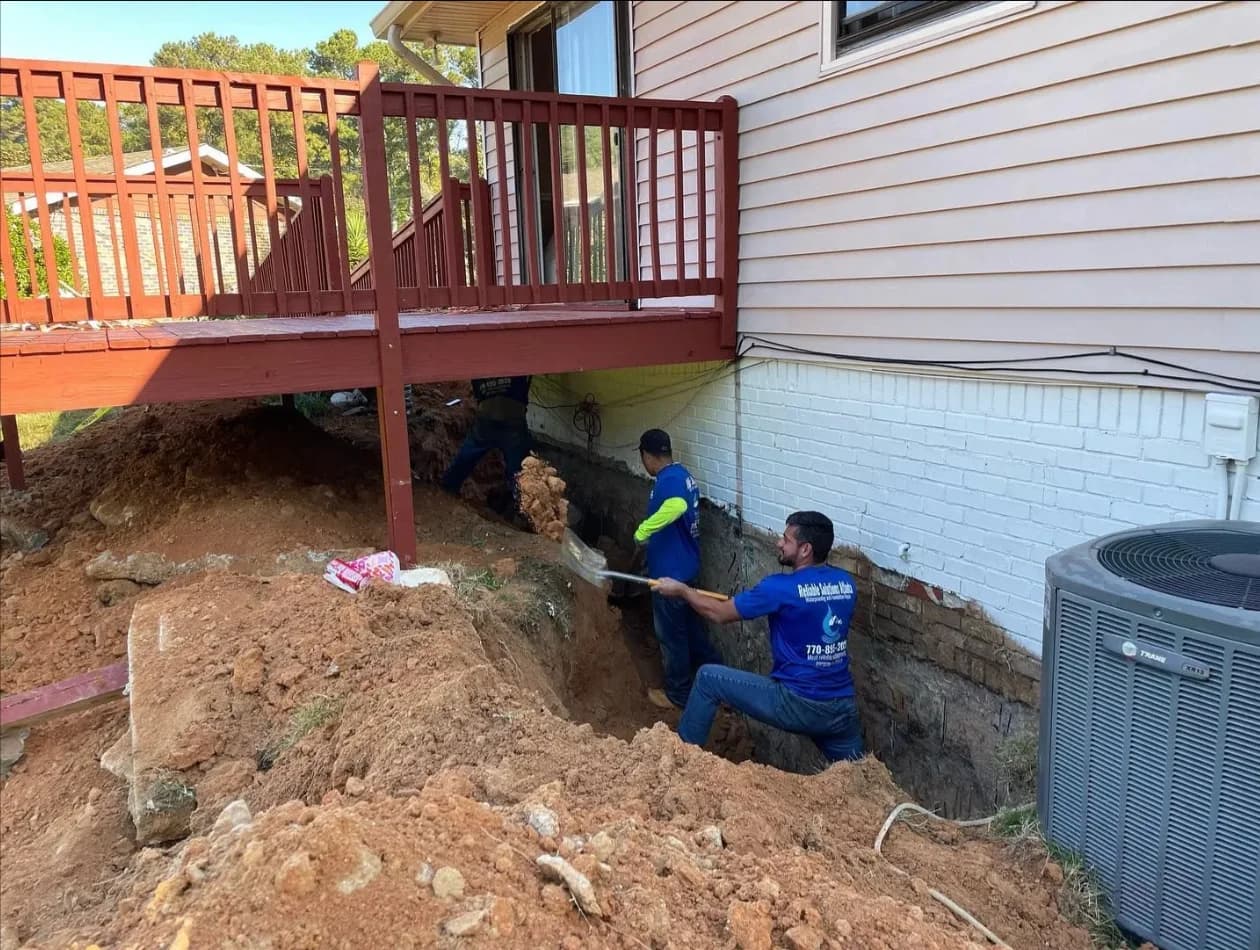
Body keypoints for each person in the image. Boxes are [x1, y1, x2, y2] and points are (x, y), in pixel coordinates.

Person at [654, 511, 864, 762]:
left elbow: (719, 613)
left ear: (805, 549)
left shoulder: (779, 587)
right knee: (859, 775)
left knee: (708, 677)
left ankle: (679, 762)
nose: (779, 543)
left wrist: (684, 591)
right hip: (842, 709)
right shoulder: (846, 584)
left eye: (786, 539)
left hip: (796, 703)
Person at [633, 429, 721, 710]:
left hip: (670, 576)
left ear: (647, 455)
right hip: (684, 567)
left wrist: (643, 530)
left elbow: (677, 505)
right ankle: (717, 675)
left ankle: (678, 694)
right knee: (690, 629)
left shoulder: (669, 481)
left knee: (671, 636)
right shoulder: (681, 474)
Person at [440, 376, 533, 511]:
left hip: (494, 421)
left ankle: (448, 489)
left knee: (516, 470)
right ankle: (524, 509)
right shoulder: (515, 362)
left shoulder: (480, 365)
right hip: (502, 423)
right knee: (517, 470)